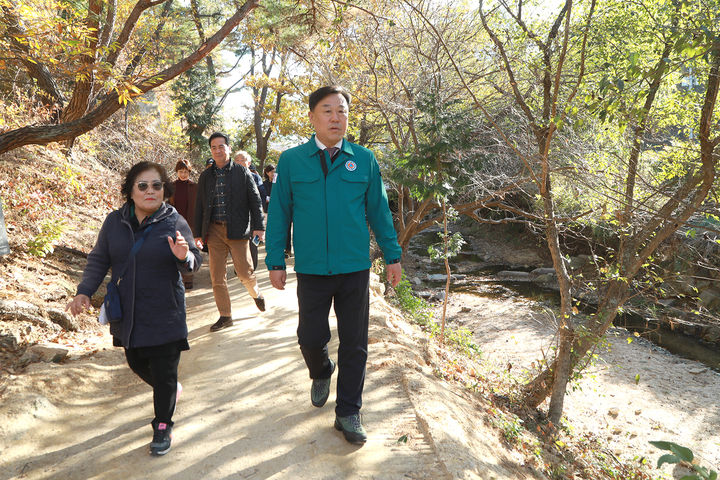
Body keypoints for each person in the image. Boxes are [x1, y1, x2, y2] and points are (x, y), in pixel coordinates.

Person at [265, 85, 402, 445]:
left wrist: (393, 255)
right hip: (311, 267)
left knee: (355, 343)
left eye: (341, 111)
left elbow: (379, 211)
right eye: (327, 111)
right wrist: (275, 259)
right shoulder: (292, 161)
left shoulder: (364, 159)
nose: (336, 117)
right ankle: (321, 368)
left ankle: (348, 411)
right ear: (312, 117)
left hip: (354, 267)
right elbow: (279, 213)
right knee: (310, 337)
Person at [66, 161, 202, 456]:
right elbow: (100, 258)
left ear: (164, 191)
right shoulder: (115, 222)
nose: (150, 191)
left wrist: (183, 256)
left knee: (165, 371)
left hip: (166, 309)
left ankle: (163, 424)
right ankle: (168, 391)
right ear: (130, 190)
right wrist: (84, 292)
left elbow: (193, 259)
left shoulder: (173, 220)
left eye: (156, 186)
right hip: (128, 311)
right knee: (137, 361)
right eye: (142, 186)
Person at [195, 133, 266, 332]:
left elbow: (255, 200)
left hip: (237, 230)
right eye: (213, 147)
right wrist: (198, 233)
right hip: (214, 230)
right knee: (217, 277)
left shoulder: (242, 172)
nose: (217, 150)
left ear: (228, 148)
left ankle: (256, 294)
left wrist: (259, 227)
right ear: (211, 150)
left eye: (221, 146)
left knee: (244, 273)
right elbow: (199, 205)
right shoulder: (206, 176)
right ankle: (225, 316)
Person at [233, 151, 266, 270]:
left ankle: (252, 267)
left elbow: (261, 197)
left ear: (249, 163)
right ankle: (240, 268)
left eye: (243, 160)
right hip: (235, 217)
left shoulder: (256, 177)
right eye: (237, 160)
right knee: (237, 244)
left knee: (252, 244)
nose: (240, 162)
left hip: (252, 216)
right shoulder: (229, 177)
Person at [169, 159, 198, 289]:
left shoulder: (194, 187)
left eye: (186, 172)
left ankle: (189, 278)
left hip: (190, 223)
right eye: (181, 171)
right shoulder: (171, 187)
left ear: (189, 172)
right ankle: (178, 276)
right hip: (174, 222)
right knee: (176, 248)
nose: (183, 174)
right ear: (177, 172)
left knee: (189, 248)